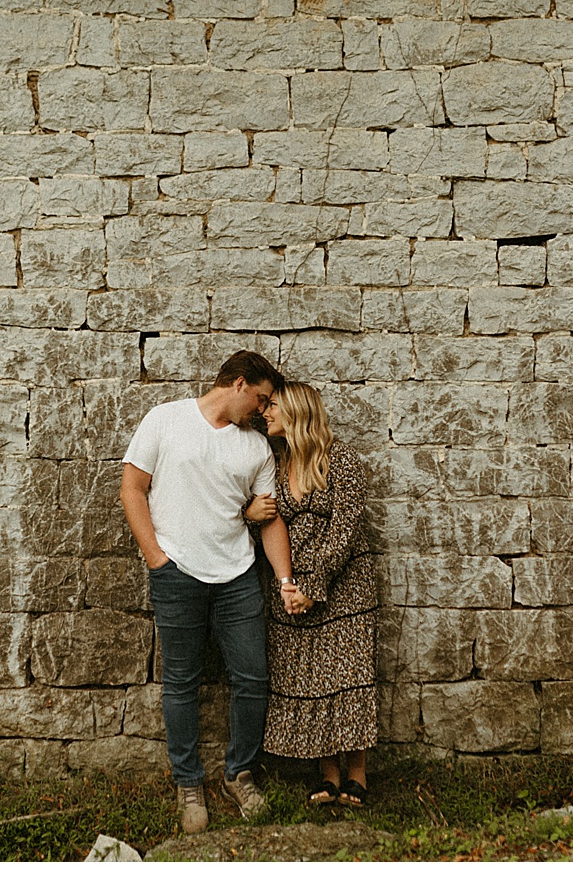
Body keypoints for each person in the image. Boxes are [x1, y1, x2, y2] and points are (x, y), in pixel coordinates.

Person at [119, 350, 306, 836]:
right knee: (181, 682)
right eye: (262, 400)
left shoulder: (257, 449)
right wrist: (157, 560)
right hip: (177, 575)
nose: (265, 413)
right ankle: (188, 783)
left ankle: (239, 775)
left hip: (238, 578)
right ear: (239, 384)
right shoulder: (166, 419)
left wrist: (285, 580)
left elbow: (270, 521)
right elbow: (132, 489)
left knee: (253, 678)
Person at [246, 381, 378, 809]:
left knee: (347, 679)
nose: (265, 413)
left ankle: (356, 778)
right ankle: (328, 776)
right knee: (312, 681)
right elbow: (264, 525)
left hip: (344, 589)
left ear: (299, 412)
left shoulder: (340, 460)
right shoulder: (276, 466)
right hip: (291, 589)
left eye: (274, 407)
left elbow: (345, 530)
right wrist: (250, 515)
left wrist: (315, 587)